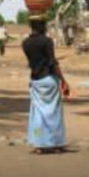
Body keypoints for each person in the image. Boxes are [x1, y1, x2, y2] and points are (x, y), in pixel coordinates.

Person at [22, 17, 70, 154]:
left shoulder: (25, 43)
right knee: (54, 113)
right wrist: (64, 81)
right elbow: (52, 63)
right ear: (44, 27)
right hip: (49, 79)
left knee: (38, 113)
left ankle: (39, 145)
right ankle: (56, 143)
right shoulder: (47, 41)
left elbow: (34, 61)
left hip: (35, 81)